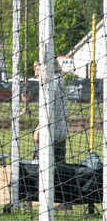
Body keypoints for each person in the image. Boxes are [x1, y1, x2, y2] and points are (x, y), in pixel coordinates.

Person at [32, 60, 70, 210]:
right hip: (61, 132)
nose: (35, 73)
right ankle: (66, 201)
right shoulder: (59, 82)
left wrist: (38, 129)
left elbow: (48, 111)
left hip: (51, 133)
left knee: (39, 165)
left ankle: (35, 195)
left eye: (37, 69)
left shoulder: (50, 86)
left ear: (45, 69)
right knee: (61, 167)